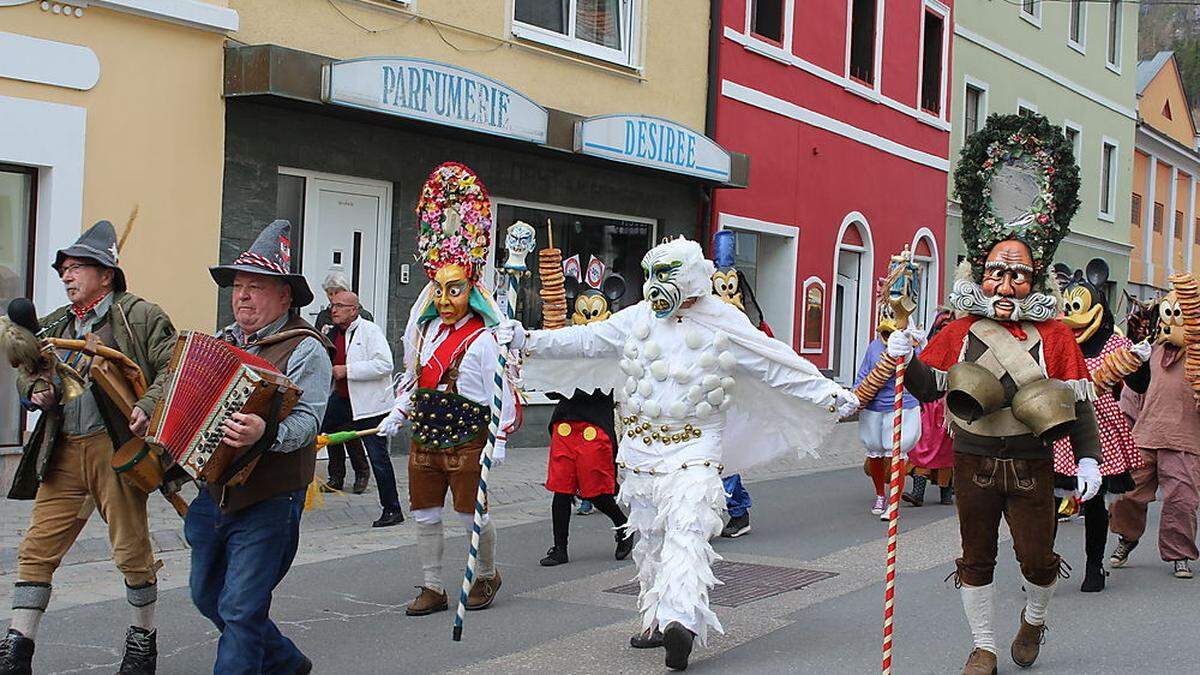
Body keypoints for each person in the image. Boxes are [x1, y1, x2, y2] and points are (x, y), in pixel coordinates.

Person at [501, 236, 858, 671]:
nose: (655, 286)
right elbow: (586, 340)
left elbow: (775, 363)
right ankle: (653, 618)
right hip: (639, 449)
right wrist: (529, 339)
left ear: (688, 277)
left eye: (665, 275)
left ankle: (680, 621)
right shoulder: (635, 319)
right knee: (649, 535)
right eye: (650, 275)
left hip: (695, 446)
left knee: (688, 527)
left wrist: (827, 392)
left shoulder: (723, 321)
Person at [889, 114, 1103, 675]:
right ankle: (983, 645)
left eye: (1018, 277)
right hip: (974, 460)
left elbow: (1078, 399)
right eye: (996, 275)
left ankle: (1033, 618)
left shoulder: (1054, 335)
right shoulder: (958, 330)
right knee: (976, 559)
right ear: (979, 275)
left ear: (1036, 281)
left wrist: (1087, 456)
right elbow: (928, 388)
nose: (1005, 286)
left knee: (1038, 561)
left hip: (1031, 465)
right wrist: (903, 353)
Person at [0, 220, 176, 675]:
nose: (66, 275)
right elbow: (30, 369)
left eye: (77, 267)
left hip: (114, 448)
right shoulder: (58, 323)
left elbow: (172, 370)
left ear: (107, 273)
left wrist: (148, 405)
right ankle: (17, 647)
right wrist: (36, 391)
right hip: (62, 449)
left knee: (130, 550)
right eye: (64, 268)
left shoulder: (140, 315)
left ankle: (143, 641)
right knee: (36, 549)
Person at [185, 219, 332, 675]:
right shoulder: (223, 341)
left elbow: (308, 423)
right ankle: (285, 662)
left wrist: (263, 435)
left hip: (270, 497)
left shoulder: (307, 349)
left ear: (285, 296)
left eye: (256, 286)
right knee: (207, 596)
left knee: (242, 609)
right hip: (214, 495)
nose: (242, 295)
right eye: (238, 286)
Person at [377, 162, 514, 617]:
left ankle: (487, 574)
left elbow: (503, 391)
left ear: (470, 291)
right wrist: (398, 411)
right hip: (425, 437)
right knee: (425, 513)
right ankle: (433, 586)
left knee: (469, 516)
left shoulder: (484, 339)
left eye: (453, 290)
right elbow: (414, 378)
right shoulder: (423, 332)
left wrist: (499, 438)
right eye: (438, 289)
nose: (443, 299)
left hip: (469, 437)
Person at [1050, 260, 1149, 592]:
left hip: (1101, 430)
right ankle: (1042, 565)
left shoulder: (1113, 345)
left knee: (1094, 502)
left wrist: (1139, 362)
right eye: (1067, 308)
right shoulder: (1057, 344)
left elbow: (1137, 385)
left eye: (1077, 307)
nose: (1072, 316)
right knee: (1049, 503)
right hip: (1059, 428)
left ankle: (1094, 567)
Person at [540, 262, 633, 567]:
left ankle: (623, 527)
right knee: (561, 489)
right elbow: (554, 391)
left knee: (596, 491)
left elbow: (604, 388)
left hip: (595, 426)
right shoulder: (569, 347)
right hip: (565, 424)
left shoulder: (612, 351)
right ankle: (559, 547)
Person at [1109, 278, 1200, 580]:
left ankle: (1180, 554)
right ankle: (1127, 538)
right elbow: (1134, 392)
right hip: (1146, 434)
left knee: (1181, 499)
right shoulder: (1152, 349)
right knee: (1128, 493)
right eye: (1168, 313)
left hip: (1184, 438)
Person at [321, 290, 403, 527]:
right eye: (331, 306)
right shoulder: (333, 332)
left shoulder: (370, 331)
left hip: (370, 405)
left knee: (378, 457)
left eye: (338, 306)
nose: (333, 310)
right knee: (310, 431)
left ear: (353, 310)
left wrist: (348, 370)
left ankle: (392, 509)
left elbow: (385, 365)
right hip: (343, 399)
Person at [855, 275, 921, 521]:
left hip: (901, 406)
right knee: (875, 451)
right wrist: (856, 393)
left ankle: (894, 501)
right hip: (874, 406)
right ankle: (880, 494)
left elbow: (920, 374)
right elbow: (863, 372)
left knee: (897, 452)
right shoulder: (873, 347)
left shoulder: (912, 347)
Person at [316, 274, 373, 489]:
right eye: (329, 294)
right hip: (333, 383)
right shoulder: (324, 316)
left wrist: (350, 369)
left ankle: (361, 473)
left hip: (354, 384)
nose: (331, 299)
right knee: (331, 431)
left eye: (335, 294)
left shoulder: (363, 316)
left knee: (349, 431)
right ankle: (336, 477)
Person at [905, 310, 955, 507]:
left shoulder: (961, 345)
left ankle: (946, 493)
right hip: (928, 404)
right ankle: (918, 493)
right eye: (942, 327)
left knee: (946, 449)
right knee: (922, 445)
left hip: (948, 405)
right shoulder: (930, 347)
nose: (946, 331)